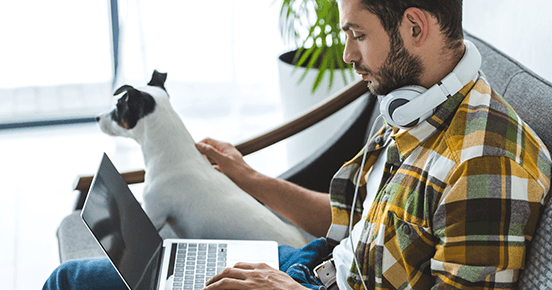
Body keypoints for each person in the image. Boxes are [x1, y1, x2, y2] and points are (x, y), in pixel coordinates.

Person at [43, 0, 552, 289]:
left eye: (357, 34)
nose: (349, 54)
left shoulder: (488, 166)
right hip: (314, 265)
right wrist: (247, 178)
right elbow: (346, 220)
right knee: (90, 276)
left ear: (414, 26)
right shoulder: (414, 103)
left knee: (70, 283)